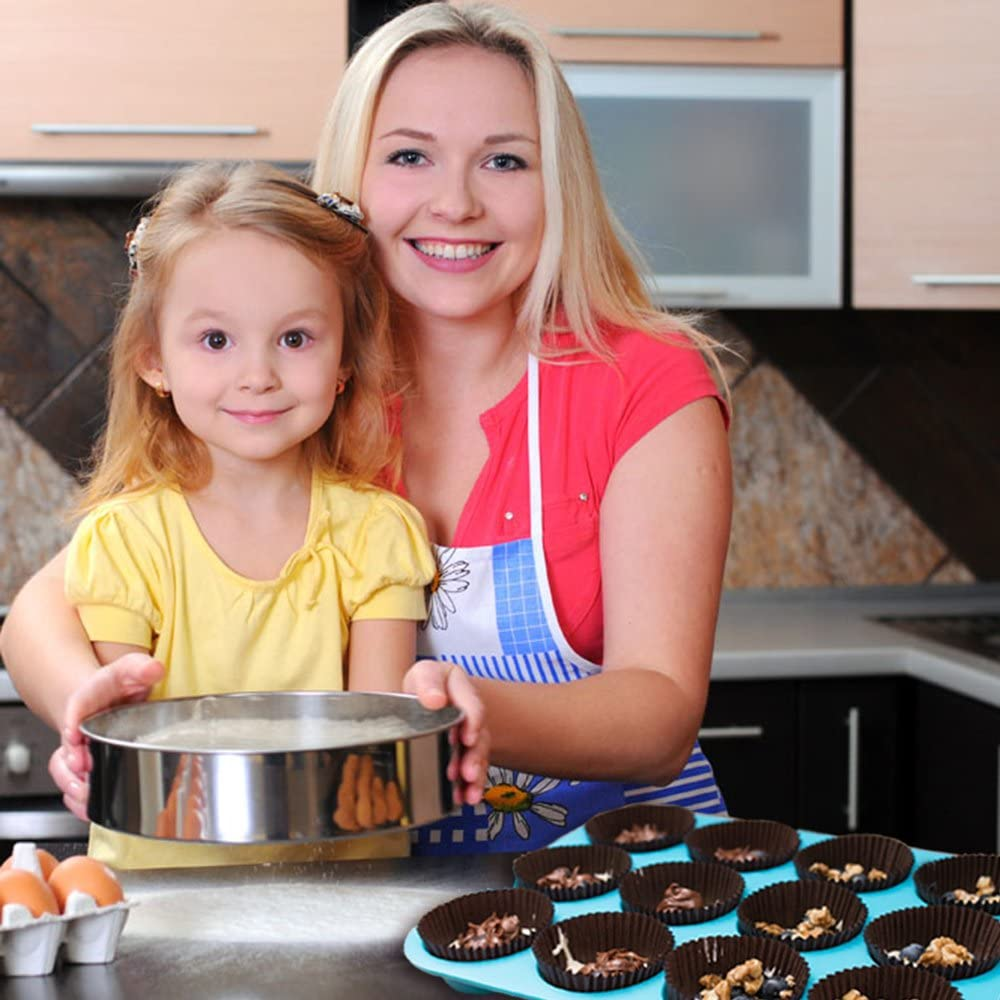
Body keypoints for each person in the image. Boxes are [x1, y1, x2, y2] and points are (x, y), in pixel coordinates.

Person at [2, 2, 732, 857]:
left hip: (626, 880)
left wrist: (462, 713)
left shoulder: (643, 382)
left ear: (557, 184)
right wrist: (89, 703)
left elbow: (659, 716)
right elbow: (50, 602)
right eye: (410, 156)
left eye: (504, 160)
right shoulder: (301, 379)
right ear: (351, 181)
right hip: (386, 892)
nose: (455, 203)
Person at [7, 159, 467, 869]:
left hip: (341, 892)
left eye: (295, 339)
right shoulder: (127, 539)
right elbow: (137, 731)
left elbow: (373, 736)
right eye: (216, 340)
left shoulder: (379, 535)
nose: (258, 374)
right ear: (153, 360)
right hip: (166, 902)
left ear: (344, 359)